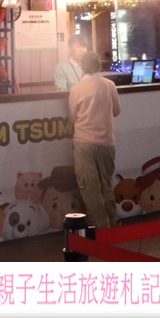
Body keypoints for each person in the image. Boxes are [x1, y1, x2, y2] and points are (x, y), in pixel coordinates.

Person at [68, 50, 121, 228]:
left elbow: (73, 117)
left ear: (82, 67)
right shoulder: (109, 85)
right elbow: (116, 111)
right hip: (107, 142)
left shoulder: (76, 89)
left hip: (84, 142)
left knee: (90, 188)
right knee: (106, 185)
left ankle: (101, 228)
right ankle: (112, 224)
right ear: (99, 66)